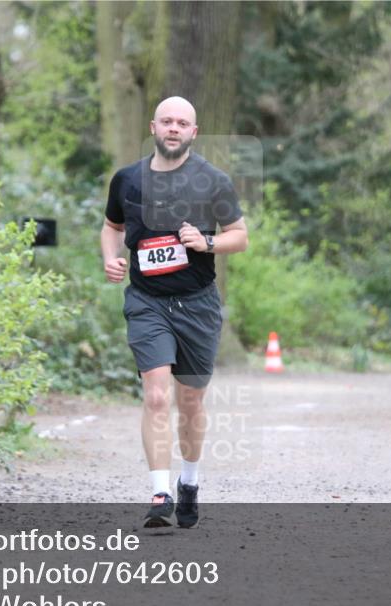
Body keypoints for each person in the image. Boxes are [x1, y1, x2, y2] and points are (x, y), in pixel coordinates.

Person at [100, 96, 249, 528]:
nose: (173, 128)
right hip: (146, 302)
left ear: (193, 133)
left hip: (198, 304)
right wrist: (110, 258)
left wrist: (207, 243)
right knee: (156, 395)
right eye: (166, 121)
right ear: (153, 127)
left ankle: (190, 481)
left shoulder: (213, 181)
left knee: (191, 401)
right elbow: (111, 227)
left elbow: (239, 236)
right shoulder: (127, 179)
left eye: (182, 123)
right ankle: (160, 492)